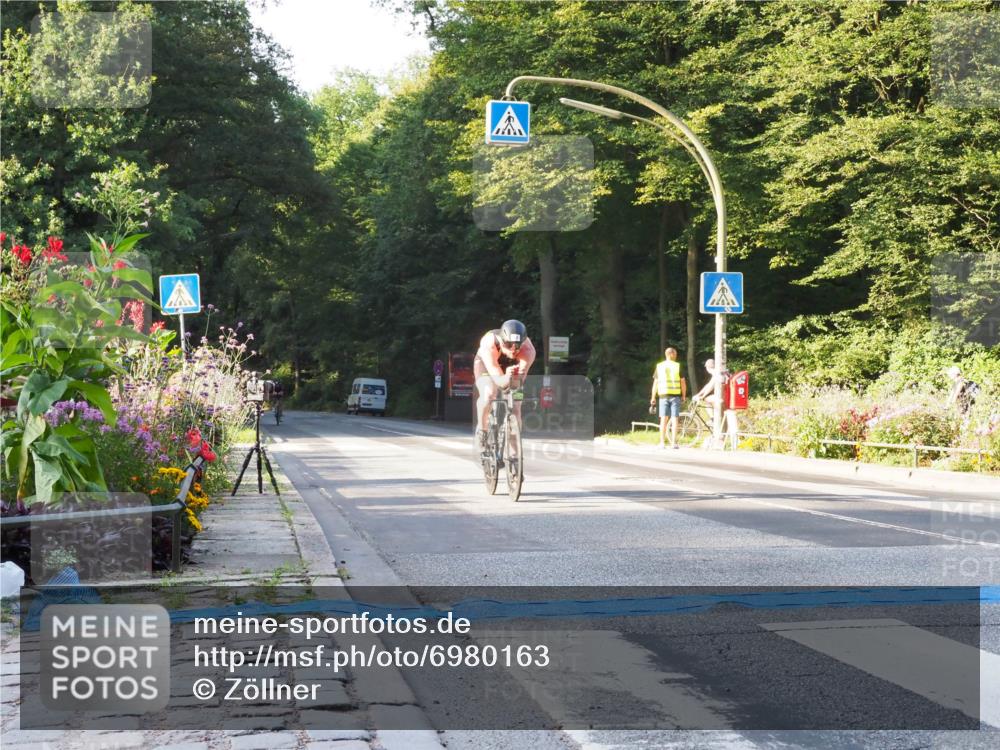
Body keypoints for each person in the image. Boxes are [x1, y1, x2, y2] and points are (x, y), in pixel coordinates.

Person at [474, 320, 537, 452]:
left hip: (512, 369)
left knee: (516, 405)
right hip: (487, 365)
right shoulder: (489, 344)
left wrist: (513, 381)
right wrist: (505, 378)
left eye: (517, 345)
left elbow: (517, 382)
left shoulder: (528, 350)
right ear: (502, 341)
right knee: (489, 394)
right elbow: (500, 382)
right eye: (508, 344)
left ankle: (514, 454)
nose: (513, 350)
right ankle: (482, 430)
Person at [692, 359, 738, 450]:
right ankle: (715, 421)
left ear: (708, 368)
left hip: (723, 399)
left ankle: (713, 419)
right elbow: (708, 385)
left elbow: (710, 386)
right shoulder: (720, 373)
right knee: (708, 400)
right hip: (728, 398)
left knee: (707, 399)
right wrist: (699, 394)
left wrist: (702, 396)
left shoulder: (717, 374)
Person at [649, 347, 687, 449]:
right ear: (671, 354)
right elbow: (682, 382)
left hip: (663, 396)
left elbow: (655, 383)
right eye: (675, 354)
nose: (676, 356)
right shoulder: (677, 366)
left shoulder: (659, 366)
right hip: (675, 396)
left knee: (663, 419)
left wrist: (653, 397)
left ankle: (662, 443)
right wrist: (683, 395)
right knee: (675, 419)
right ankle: (674, 443)